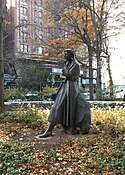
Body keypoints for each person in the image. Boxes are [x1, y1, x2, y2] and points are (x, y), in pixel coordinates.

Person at [36, 49, 91, 139]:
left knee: (60, 107)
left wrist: (65, 72)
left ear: (71, 56)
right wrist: (65, 74)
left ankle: (51, 130)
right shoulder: (68, 64)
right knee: (56, 107)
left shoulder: (76, 65)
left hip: (71, 89)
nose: (64, 56)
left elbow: (68, 75)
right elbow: (64, 76)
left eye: (66, 55)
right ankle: (49, 130)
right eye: (64, 54)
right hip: (65, 87)